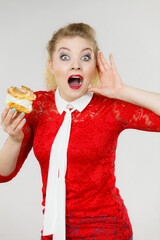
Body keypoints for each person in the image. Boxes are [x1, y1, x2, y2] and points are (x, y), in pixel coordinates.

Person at [0, 22, 160, 240]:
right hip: (54, 234)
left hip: (109, 231)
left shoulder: (109, 107)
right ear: (51, 65)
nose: (75, 65)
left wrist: (122, 91)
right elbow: (3, 173)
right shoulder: (36, 106)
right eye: (65, 57)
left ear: (95, 66)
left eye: (85, 57)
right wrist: (15, 139)